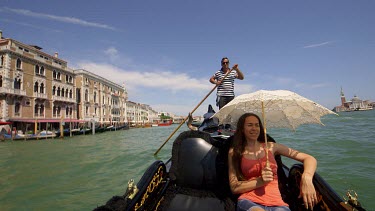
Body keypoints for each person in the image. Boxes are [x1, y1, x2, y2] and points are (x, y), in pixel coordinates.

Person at [228, 113, 317, 211]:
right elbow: (234, 187)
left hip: (277, 203)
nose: (254, 128)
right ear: (242, 129)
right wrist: (260, 181)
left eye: (257, 125)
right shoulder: (234, 152)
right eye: (250, 125)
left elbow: (309, 158)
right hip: (249, 201)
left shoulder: (271, 146)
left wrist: (306, 178)